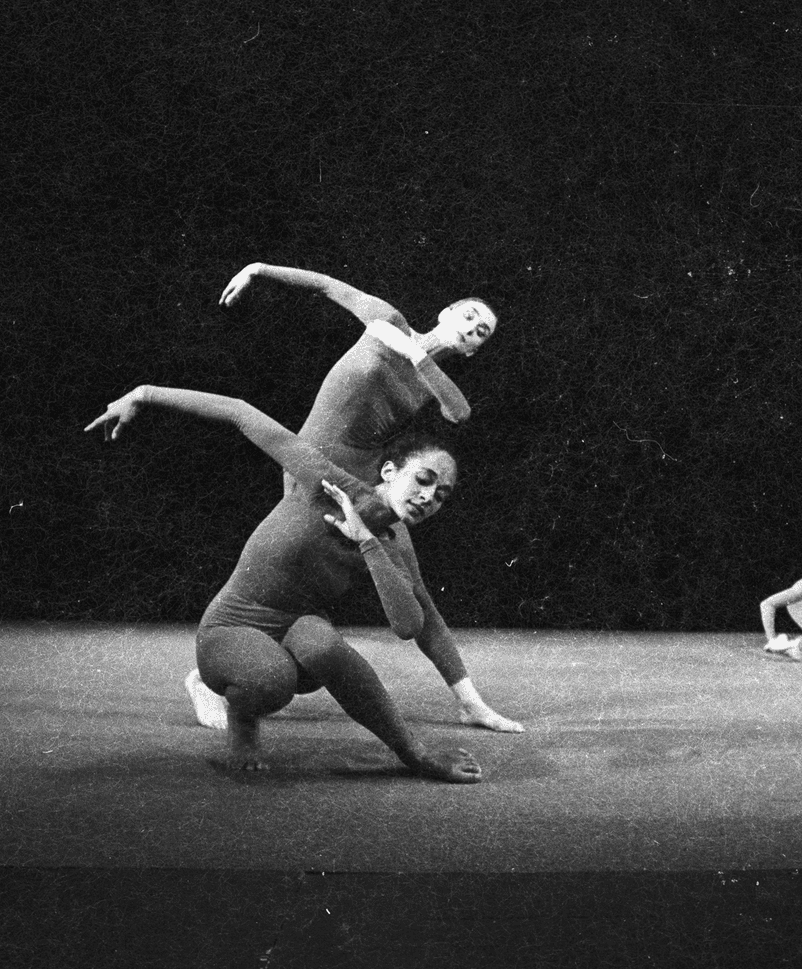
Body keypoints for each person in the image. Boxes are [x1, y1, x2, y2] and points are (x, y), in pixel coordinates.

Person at [181, 263, 521, 734]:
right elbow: (324, 285)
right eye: (469, 317)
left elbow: (458, 412)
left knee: (408, 583)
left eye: (481, 333)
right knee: (285, 569)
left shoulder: (429, 376)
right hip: (309, 461)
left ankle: (470, 702)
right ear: (447, 312)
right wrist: (259, 270)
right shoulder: (387, 317)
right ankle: (212, 675)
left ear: (475, 348)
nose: (472, 330)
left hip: (356, 473)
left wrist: (413, 354)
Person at [86, 384, 482, 783]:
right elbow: (240, 411)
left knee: (323, 644)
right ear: (390, 471)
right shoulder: (327, 483)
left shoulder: (390, 544)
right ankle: (243, 727)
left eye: (441, 495)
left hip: (295, 632)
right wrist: (142, 394)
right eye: (423, 479)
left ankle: (413, 753)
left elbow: (410, 625)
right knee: (271, 680)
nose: (428, 497)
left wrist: (365, 540)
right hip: (232, 628)